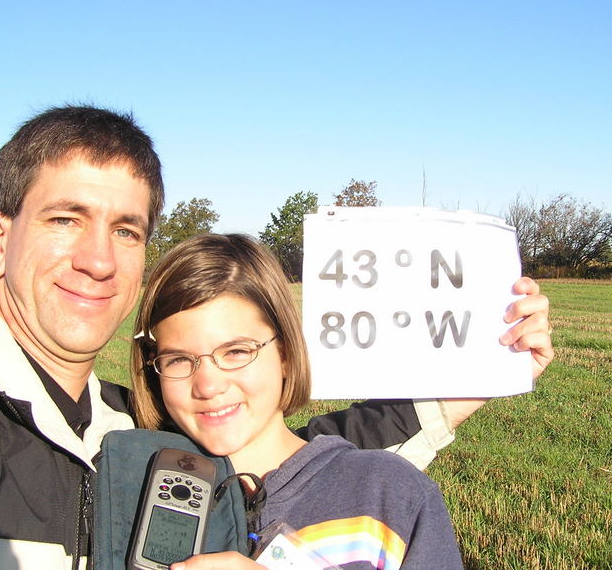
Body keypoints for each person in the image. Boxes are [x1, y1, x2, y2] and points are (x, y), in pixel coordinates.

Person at [0, 105, 553, 570]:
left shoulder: (128, 429)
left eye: (128, 231)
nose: (98, 260)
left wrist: (482, 367)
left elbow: (298, 457)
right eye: (65, 219)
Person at [130, 234, 465, 569]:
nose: (208, 386)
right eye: (178, 360)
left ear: (286, 354)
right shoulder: (134, 492)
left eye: (236, 352)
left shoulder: (389, 496)